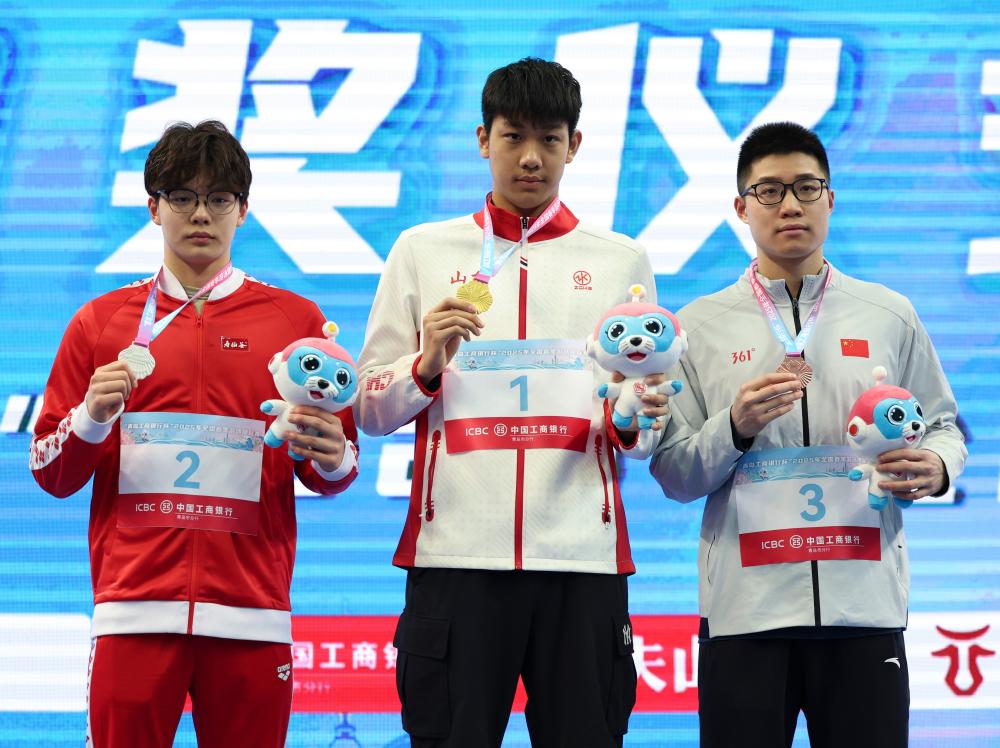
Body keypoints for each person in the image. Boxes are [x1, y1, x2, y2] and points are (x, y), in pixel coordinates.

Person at [356, 58, 668, 747]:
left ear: (574, 145)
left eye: (550, 139)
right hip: (455, 561)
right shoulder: (421, 250)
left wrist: (632, 416)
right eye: (513, 137)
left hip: (581, 563)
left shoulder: (620, 259)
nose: (531, 157)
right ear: (482, 139)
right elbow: (370, 409)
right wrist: (425, 363)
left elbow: (645, 425)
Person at [29, 120, 358, 748]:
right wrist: (91, 418)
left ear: (243, 209)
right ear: (153, 208)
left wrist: (335, 456)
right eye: (182, 197)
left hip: (252, 615)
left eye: (218, 198)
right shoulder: (99, 322)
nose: (200, 214)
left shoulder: (295, 322)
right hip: (133, 610)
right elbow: (50, 472)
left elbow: (335, 469)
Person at [650, 121, 967, 747]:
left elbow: (943, 425)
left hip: (865, 607)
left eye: (806, 187)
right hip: (745, 614)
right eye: (769, 191)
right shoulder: (698, 326)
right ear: (740, 208)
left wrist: (936, 466)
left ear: (831, 198)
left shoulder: (889, 313)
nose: (790, 205)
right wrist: (734, 427)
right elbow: (674, 474)